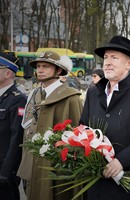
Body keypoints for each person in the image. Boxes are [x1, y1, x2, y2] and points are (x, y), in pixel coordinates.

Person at [79, 36, 130, 200]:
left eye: (114, 57)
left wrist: (121, 161)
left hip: (126, 184)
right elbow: (83, 127)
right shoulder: (94, 92)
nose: (107, 62)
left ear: (128, 64)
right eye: (106, 57)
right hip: (94, 183)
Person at [17, 51, 83, 200]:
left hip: (54, 168)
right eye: (38, 66)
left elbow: (76, 139)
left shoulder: (71, 97)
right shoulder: (35, 94)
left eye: (45, 66)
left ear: (58, 70)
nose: (40, 70)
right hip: (31, 163)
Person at [0, 52, 27, 200]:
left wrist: (6, 173)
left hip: (4, 172)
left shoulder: (18, 100)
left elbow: (17, 139)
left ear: (8, 73)